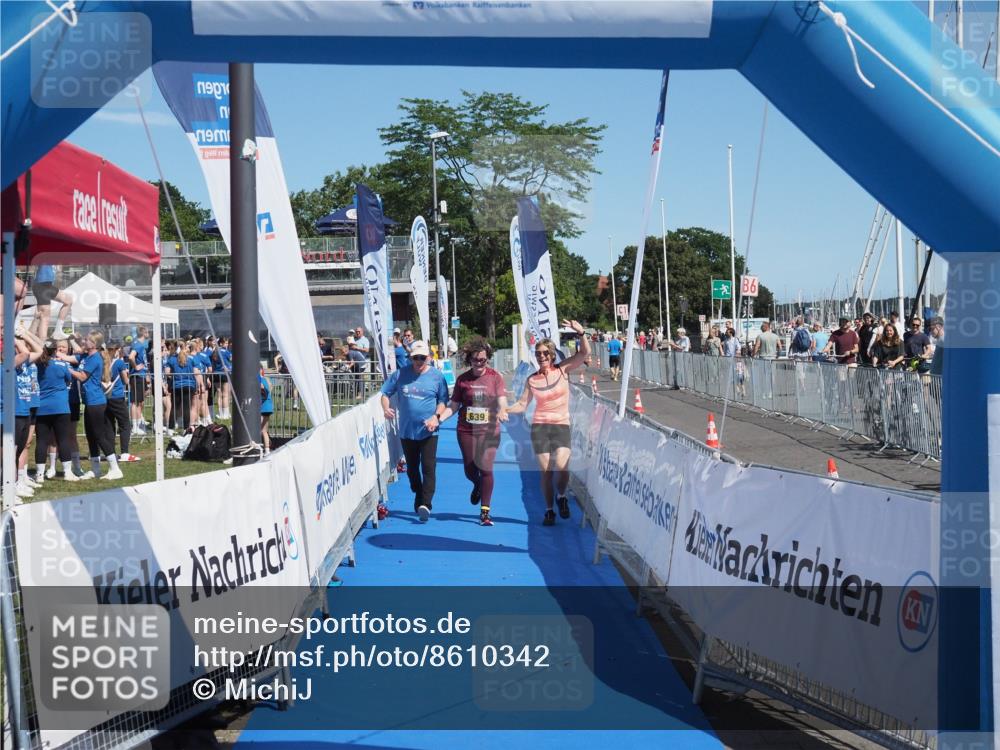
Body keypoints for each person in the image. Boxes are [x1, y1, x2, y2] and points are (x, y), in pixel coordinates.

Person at [507, 320, 591, 526]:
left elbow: (583, 354)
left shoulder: (562, 370)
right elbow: (521, 404)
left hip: (561, 425)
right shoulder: (532, 380)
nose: (541, 357)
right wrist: (504, 410)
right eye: (538, 354)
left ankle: (561, 496)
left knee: (562, 467)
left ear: (552, 355)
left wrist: (581, 333)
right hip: (540, 427)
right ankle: (549, 510)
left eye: (545, 353)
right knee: (546, 472)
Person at [436, 338, 509, 527]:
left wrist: (502, 410)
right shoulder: (463, 380)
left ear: (488, 360)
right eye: (476, 360)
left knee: (486, 468)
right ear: (470, 360)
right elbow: (453, 406)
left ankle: (485, 512)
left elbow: (501, 398)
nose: (479, 363)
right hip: (466, 429)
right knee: (470, 469)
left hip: (489, 430)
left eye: (483, 360)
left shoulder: (495, 377)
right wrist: (439, 419)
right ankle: (477, 484)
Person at [380, 341, 449, 522]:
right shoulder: (401, 374)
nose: (418, 361)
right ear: (410, 358)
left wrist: (436, 417)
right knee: (412, 469)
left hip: (429, 430)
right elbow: (385, 394)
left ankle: (425, 503)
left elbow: (443, 401)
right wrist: (386, 408)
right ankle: (418, 492)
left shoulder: (437, 377)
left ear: (429, 358)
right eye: (415, 357)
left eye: (422, 358)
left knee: (428, 467)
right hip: (407, 431)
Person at [70, 331, 123, 480]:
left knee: (99, 436)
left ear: (93, 344)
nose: (84, 341)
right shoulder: (87, 356)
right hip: (89, 402)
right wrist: (73, 339)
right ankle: (95, 469)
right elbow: (74, 353)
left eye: (86, 340)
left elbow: (82, 376)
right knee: (90, 436)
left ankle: (115, 468)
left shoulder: (94, 359)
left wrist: (66, 369)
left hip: (96, 403)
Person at [34, 338, 78, 483]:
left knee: (41, 441)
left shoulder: (38, 364)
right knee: (63, 440)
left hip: (42, 407)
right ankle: (67, 472)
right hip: (60, 407)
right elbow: (68, 379)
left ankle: (39, 475)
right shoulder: (62, 364)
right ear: (55, 350)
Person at [106, 344, 138, 462]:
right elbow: (125, 380)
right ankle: (124, 452)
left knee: (109, 425)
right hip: (117, 396)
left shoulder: (103, 362)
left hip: (106, 397)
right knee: (125, 424)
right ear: (115, 351)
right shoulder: (119, 363)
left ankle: (111, 452)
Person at [29, 265, 74, 340]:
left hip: (48, 286)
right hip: (41, 286)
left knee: (68, 300)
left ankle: (58, 331)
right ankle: (41, 345)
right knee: (44, 317)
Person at [128, 326, 150, 434]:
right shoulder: (137, 344)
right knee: (135, 401)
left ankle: (138, 423)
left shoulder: (141, 345)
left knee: (139, 401)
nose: (148, 333)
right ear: (143, 333)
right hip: (136, 376)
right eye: (147, 331)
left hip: (141, 376)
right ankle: (134, 426)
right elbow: (131, 357)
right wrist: (136, 367)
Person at [260, 369, 273, 456]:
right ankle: (267, 450)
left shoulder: (260, 379)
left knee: (258, 430)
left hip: (263, 408)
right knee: (264, 431)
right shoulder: (267, 379)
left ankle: (259, 450)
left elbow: (262, 388)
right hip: (268, 408)